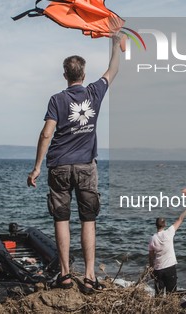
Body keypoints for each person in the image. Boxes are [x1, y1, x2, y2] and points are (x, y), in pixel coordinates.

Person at [27, 34, 124, 294]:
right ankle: (90, 276)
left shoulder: (57, 100)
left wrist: (36, 166)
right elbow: (113, 69)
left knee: (61, 219)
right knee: (88, 220)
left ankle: (66, 274)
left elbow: (47, 133)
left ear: (65, 75)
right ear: (83, 73)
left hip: (58, 166)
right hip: (85, 167)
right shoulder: (94, 92)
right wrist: (115, 43)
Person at [148, 207, 186, 295]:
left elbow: (151, 256)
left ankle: (158, 308)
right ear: (165, 224)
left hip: (158, 269)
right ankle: (168, 308)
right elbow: (180, 218)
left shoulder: (152, 238)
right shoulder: (169, 232)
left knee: (158, 294)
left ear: (156, 225)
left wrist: (151, 268)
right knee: (171, 294)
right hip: (169, 268)